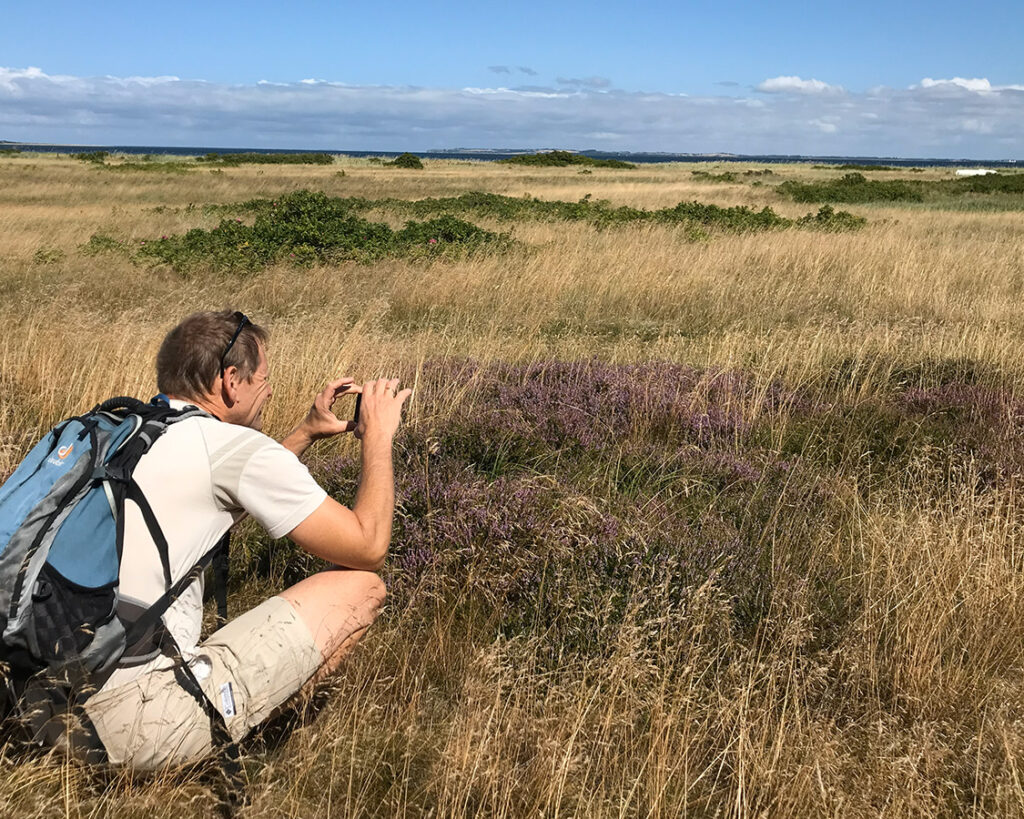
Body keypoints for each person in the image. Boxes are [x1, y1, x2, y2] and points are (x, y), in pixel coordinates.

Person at [72, 309, 411, 768]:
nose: (268, 391)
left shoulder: (124, 429)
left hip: (48, 691)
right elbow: (367, 545)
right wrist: (379, 435)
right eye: (264, 380)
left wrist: (306, 431)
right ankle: (249, 752)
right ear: (231, 380)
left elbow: (223, 497)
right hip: (130, 720)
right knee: (360, 588)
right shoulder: (231, 447)